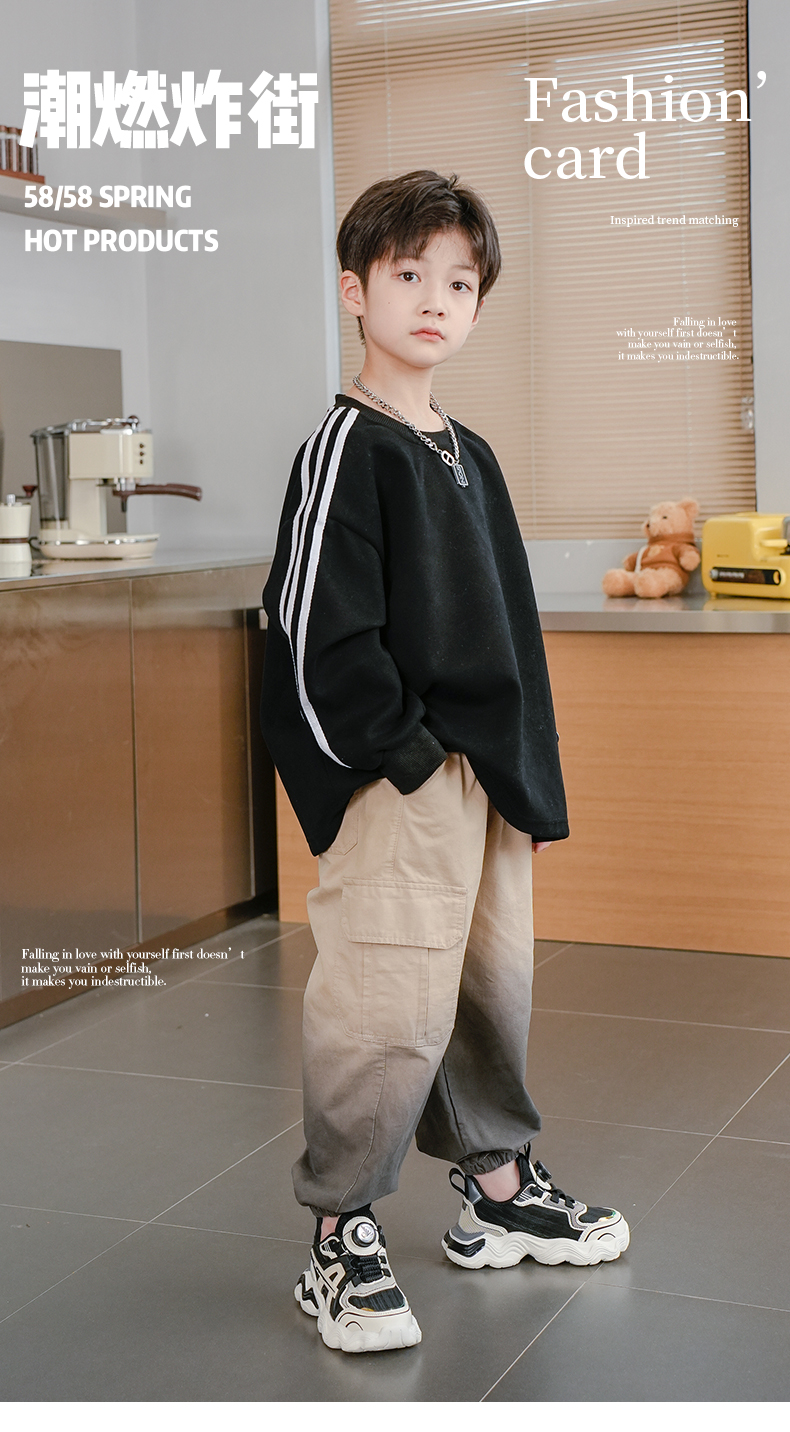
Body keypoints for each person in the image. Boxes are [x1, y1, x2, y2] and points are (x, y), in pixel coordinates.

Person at [261, 170, 629, 1355]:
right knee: (381, 1003)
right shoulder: (345, 447)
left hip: (484, 779)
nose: (434, 299)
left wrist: (518, 777)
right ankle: (339, 1236)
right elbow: (312, 636)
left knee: (485, 988)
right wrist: (406, 763)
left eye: (459, 283)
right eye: (409, 273)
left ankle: (498, 1190)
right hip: (403, 780)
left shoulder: (469, 450)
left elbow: (506, 629)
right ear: (354, 290)